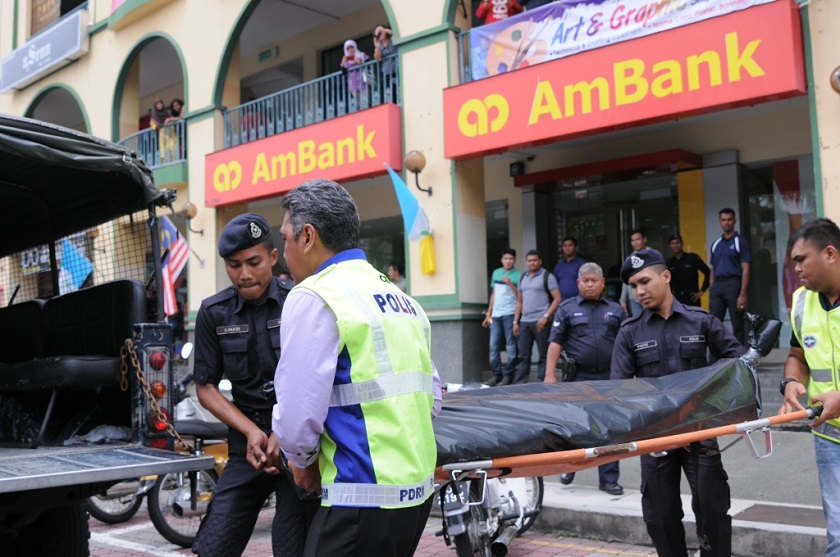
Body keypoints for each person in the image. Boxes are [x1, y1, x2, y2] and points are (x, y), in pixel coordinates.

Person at [271, 179, 442, 557]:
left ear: (308, 236)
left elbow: (298, 413)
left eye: (285, 238)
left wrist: (302, 462)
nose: (283, 252)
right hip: (415, 496)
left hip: (357, 498)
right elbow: (431, 397)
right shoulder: (399, 297)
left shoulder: (314, 295)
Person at [191, 213, 318, 557]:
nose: (244, 274)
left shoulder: (301, 301)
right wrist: (250, 432)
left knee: (293, 548)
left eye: (254, 262)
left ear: (273, 257)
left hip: (299, 449)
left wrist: (286, 432)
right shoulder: (213, 313)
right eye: (234, 265)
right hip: (247, 447)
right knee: (212, 547)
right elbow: (205, 387)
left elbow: (317, 377)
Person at [610, 249, 744, 557]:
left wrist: (714, 403)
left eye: (644, 281)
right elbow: (617, 389)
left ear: (666, 276)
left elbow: (735, 362)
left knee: (713, 511)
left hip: (699, 432)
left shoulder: (701, 322)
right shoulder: (630, 332)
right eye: (633, 286)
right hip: (656, 436)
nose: (639, 291)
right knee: (660, 517)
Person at [778, 217, 840, 557]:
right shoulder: (801, 302)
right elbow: (797, 355)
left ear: (830, 253)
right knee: (839, 537)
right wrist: (791, 382)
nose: (796, 268)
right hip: (831, 438)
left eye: (801, 259)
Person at [544, 262, 626, 495]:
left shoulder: (616, 310)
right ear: (578, 283)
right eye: (585, 281)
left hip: (610, 378)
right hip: (579, 377)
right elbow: (555, 342)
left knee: (610, 429)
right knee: (575, 426)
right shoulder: (567, 309)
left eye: (594, 280)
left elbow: (626, 343)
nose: (590, 284)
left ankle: (609, 479)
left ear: (602, 283)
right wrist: (550, 375)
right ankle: (569, 466)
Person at [513, 249, 561, 383]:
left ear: (540, 261)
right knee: (523, 356)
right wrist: (515, 321)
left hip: (541, 322)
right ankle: (519, 385)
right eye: (529, 261)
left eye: (534, 260)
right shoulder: (522, 277)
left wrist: (546, 316)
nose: (532, 263)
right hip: (524, 322)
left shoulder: (547, 276)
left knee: (544, 355)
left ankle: (542, 384)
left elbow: (557, 298)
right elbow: (519, 301)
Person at [709, 208, 751, 346]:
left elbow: (746, 269)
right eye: (723, 220)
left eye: (729, 220)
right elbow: (713, 268)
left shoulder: (741, 242)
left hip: (734, 284)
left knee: (737, 323)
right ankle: (715, 362)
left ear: (734, 221)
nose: (726, 223)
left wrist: (743, 294)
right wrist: (712, 286)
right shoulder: (716, 244)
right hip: (717, 287)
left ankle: (738, 360)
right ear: (720, 222)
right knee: (714, 323)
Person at [483, 248, 522, 386]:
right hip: (496, 315)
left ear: (515, 260)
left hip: (510, 314)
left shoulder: (519, 275)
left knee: (511, 346)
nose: (508, 261)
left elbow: (520, 297)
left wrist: (511, 284)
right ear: (502, 260)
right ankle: (496, 375)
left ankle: (509, 375)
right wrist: (488, 314)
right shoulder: (496, 273)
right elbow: (494, 294)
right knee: (493, 346)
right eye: (506, 258)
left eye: (511, 259)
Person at [620, 229, 660, 316]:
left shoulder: (653, 255)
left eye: (638, 239)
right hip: (634, 299)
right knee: (639, 325)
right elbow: (626, 281)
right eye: (633, 240)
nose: (635, 242)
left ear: (644, 240)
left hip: (651, 296)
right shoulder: (629, 259)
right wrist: (623, 300)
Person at [666, 234, 711, 307]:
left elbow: (708, 272)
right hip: (677, 298)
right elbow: (667, 281)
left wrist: (702, 291)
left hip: (692, 298)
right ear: (669, 246)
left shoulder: (692, 258)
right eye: (673, 243)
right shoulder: (669, 262)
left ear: (682, 243)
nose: (676, 245)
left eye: (678, 242)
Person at [553, 236, 586, 303]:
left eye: (570, 245)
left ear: (576, 248)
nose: (567, 248)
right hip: (562, 303)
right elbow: (554, 285)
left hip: (579, 301)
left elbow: (586, 282)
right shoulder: (559, 266)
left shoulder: (582, 264)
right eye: (565, 246)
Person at [373, 24, 398, 103]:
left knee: (398, 87)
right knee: (390, 90)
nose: (380, 33)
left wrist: (384, 30)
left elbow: (397, 35)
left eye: (381, 32)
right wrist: (377, 46)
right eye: (378, 33)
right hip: (387, 72)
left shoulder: (391, 39)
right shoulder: (379, 46)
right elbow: (376, 57)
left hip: (397, 68)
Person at [340, 40, 369, 108]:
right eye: (348, 48)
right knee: (358, 104)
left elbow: (369, 66)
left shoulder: (361, 55)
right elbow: (344, 73)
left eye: (351, 47)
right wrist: (343, 63)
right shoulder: (346, 61)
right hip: (353, 83)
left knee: (365, 102)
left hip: (363, 80)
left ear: (355, 47)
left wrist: (360, 62)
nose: (350, 49)